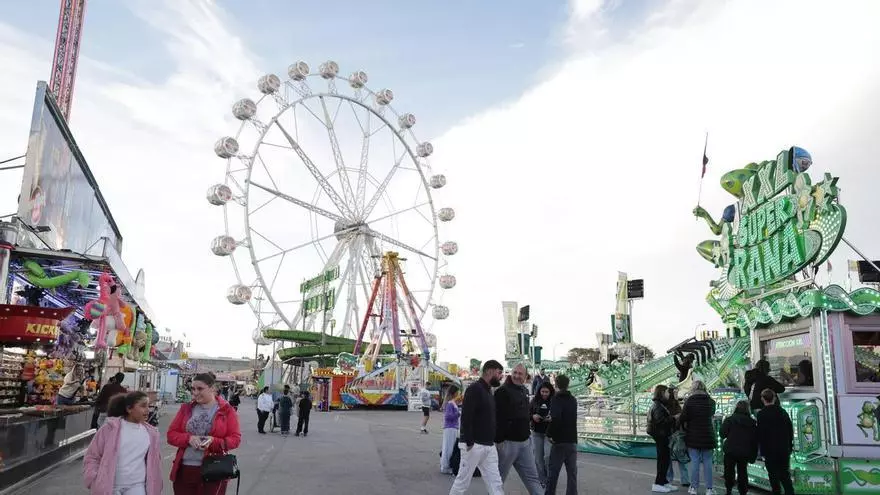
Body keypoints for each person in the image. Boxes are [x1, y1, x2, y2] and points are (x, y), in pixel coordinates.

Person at [167, 372, 241, 494]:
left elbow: (235, 439)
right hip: (185, 469)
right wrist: (188, 439)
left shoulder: (227, 410)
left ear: (212, 389)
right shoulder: (186, 408)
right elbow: (171, 435)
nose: (195, 392)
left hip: (213, 470)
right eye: (193, 389)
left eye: (200, 388)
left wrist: (213, 441)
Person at [83, 391, 163, 495]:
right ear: (129, 409)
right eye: (143, 406)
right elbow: (92, 456)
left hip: (138, 486)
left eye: (149, 406)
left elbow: (155, 463)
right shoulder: (109, 429)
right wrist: (93, 479)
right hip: (110, 487)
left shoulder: (151, 434)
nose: (148, 410)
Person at [449, 360, 505, 495]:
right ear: (490, 371)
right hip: (473, 445)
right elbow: (466, 416)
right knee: (462, 482)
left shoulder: (488, 391)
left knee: (495, 482)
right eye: (499, 373)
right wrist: (469, 441)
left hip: (488, 446)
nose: (500, 376)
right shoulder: (474, 389)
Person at [494, 364, 543, 494]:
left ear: (525, 376)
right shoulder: (502, 391)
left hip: (525, 443)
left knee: (533, 479)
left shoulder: (524, 390)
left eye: (520, 374)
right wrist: (499, 441)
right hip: (507, 444)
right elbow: (498, 417)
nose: (516, 376)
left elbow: (523, 414)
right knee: (497, 481)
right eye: (514, 372)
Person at [680, 380, 717, 495]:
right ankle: (709, 489)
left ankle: (694, 488)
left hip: (693, 435)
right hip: (708, 435)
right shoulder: (711, 402)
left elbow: (683, 418)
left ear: (693, 389)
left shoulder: (689, 401)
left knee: (695, 462)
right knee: (708, 462)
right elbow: (711, 415)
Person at [756, 389, 795, 495]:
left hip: (769, 450)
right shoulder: (783, 412)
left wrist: (760, 450)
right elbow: (790, 430)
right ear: (774, 398)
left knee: (773, 476)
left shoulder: (761, 414)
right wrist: (790, 445)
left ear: (763, 399)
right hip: (783, 448)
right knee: (785, 476)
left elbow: (760, 433)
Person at [546, 374, 578, 495]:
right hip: (571, 439)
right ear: (568, 384)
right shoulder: (573, 400)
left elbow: (556, 418)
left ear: (556, 384)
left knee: (553, 473)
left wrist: (549, 434)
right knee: (572, 473)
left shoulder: (556, 399)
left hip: (559, 440)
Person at [720, 399, 758, 495]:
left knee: (729, 471)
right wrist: (753, 454)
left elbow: (722, 434)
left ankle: (729, 490)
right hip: (745, 450)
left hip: (730, 450)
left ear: (736, 408)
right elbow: (754, 440)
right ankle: (743, 491)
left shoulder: (730, 420)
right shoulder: (752, 423)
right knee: (743, 471)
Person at [647, 384, 676, 493]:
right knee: (662, 460)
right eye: (667, 392)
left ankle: (664, 482)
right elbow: (661, 422)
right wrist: (673, 418)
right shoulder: (658, 406)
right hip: (661, 436)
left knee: (665, 460)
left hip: (662, 435)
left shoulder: (660, 405)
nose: (669, 394)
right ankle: (658, 483)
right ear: (662, 393)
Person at [530, 382, 555, 486]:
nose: (544, 394)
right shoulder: (534, 401)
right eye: (542, 391)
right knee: (538, 459)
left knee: (548, 457)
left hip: (548, 433)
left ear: (550, 392)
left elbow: (559, 415)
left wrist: (552, 418)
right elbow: (527, 412)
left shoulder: (554, 401)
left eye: (547, 392)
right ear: (539, 391)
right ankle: (542, 480)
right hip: (536, 433)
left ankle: (550, 480)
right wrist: (533, 416)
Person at [666, 384, 690, 488]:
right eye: (675, 392)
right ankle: (670, 478)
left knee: (679, 455)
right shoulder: (668, 405)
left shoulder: (676, 404)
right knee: (670, 458)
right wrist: (676, 418)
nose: (677, 394)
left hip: (676, 433)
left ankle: (683, 479)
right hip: (671, 433)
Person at [441, 386, 460, 474]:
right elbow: (448, 417)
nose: (458, 394)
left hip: (453, 427)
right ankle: (445, 466)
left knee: (450, 447)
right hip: (450, 427)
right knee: (448, 448)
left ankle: (447, 465)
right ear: (454, 393)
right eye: (457, 392)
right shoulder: (450, 403)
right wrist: (458, 414)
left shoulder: (452, 403)